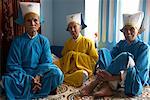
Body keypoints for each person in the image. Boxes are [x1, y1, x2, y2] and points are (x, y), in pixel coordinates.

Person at [1, 2, 64, 99]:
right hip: (22, 76)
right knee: (7, 80)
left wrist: (38, 76)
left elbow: (47, 62)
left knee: (57, 74)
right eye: (28, 20)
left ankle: (36, 87)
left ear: (39, 23)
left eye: (35, 20)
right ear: (24, 23)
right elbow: (12, 65)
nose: (32, 23)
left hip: (40, 73)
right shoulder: (17, 41)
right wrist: (29, 79)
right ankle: (40, 88)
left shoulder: (44, 41)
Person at [80, 11, 150, 97]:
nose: (128, 32)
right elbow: (110, 61)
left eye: (131, 29)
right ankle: (107, 86)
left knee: (126, 56)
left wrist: (111, 78)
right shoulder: (121, 44)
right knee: (103, 51)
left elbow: (140, 76)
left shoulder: (144, 48)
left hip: (132, 83)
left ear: (138, 31)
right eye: (125, 29)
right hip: (114, 79)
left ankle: (96, 82)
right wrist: (103, 71)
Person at [54, 13, 98, 87]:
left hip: (82, 69)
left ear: (80, 28)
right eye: (70, 28)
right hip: (69, 70)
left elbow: (93, 60)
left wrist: (75, 55)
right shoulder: (67, 43)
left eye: (74, 27)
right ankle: (62, 76)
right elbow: (64, 59)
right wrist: (69, 56)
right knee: (54, 65)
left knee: (83, 74)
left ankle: (62, 77)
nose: (72, 30)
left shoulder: (88, 42)